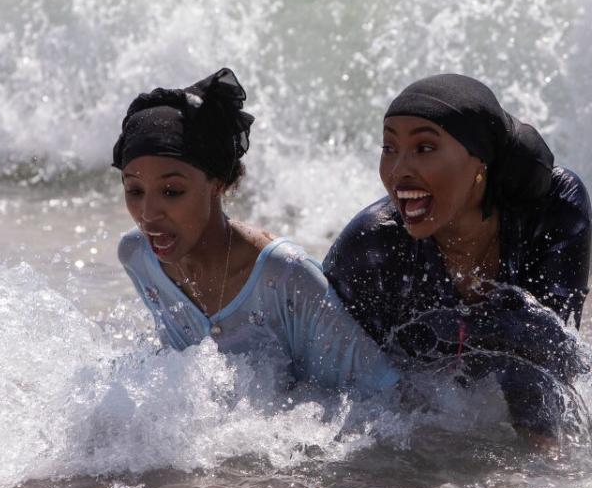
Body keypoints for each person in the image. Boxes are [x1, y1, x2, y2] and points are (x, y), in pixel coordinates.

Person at [323, 73, 592, 437]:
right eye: (389, 149)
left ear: (480, 162)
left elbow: (552, 358)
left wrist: (543, 476)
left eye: (424, 148)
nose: (399, 170)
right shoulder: (372, 245)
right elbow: (327, 383)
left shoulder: (551, 209)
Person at [113, 68, 400, 398]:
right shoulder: (137, 256)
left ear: (217, 184)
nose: (148, 214)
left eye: (172, 191)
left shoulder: (285, 275)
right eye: (134, 191)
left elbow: (383, 395)